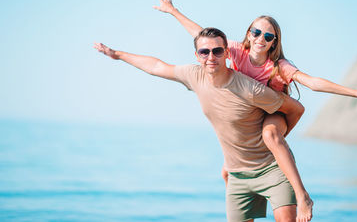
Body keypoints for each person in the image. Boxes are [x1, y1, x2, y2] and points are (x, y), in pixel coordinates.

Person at [153, 0, 357, 220]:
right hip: (250, 114)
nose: (261, 39)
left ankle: (302, 196)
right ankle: (242, 193)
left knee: (271, 136)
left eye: (268, 36)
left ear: (274, 42)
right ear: (249, 34)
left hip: (274, 113)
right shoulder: (235, 51)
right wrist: (173, 11)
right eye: (257, 32)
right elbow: (200, 34)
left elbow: (312, 83)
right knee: (228, 168)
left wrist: (354, 92)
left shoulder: (279, 66)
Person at [94, 27, 309, 222]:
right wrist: (118, 55)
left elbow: (295, 109)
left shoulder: (250, 89)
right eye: (204, 52)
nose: (211, 57)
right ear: (197, 56)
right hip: (237, 175)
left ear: (227, 52)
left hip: (271, 169)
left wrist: (277, 138)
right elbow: (156, 66)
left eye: (217, 51)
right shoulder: (194, 75)